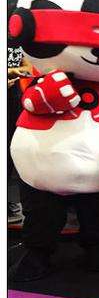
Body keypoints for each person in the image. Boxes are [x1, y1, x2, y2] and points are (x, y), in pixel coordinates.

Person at [8, 46, 33, 224]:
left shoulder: (17, 44)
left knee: (9, 151)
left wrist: (12, 70)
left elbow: (28, 68)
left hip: (13, 99)